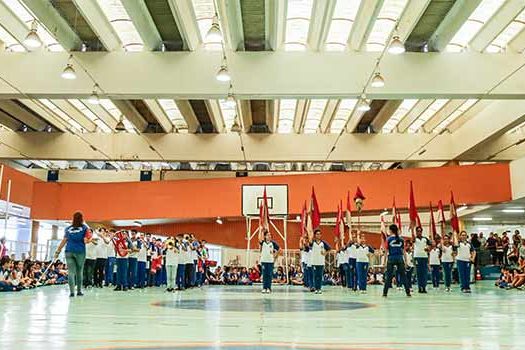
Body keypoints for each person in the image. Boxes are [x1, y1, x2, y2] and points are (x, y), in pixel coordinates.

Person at [54, 211, 92, 297]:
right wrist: (91, 240)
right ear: (82, 219)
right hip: (80, 252)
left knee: (71, 272)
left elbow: (64, 240)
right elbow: (85, 241)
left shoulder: (68, 229)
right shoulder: (84, 228)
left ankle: (71, 292)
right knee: (79, 271)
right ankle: (79, 291)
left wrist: (57, 251)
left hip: (69, 251)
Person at [383, 224, 411, 297]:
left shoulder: (388, 239)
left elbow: (386, 251)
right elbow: (404, 251)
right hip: (400, 258)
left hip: (391, 258)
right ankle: (408, 292)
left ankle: (385, 293)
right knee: (403, 275)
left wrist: (384, 262)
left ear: (391, 230)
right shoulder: (401, 239)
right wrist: (406, 261)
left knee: (389, 276)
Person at [309, 228, 330, 294]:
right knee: (315, 276)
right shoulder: (313, 243)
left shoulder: (323, 243)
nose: (318, 235)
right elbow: (309, 242)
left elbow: (329, 249)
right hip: (314, 262)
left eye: (319, 234)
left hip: (321, 262)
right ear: (315, 235)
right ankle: (316, 288)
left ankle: (319, 288)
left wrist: (325, 253)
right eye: (317, 234)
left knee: (320, 276)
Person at [259, 228, 280, 293]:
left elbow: (279, 249)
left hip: (270, 261)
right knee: (264, 275)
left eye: (270, 235)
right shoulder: (263, 243)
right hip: (264, 261)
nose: (269, 236)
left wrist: (275, 256)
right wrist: (261, 231)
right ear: (265, 236)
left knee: (269, 275)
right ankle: (264, 288)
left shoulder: (273, 243)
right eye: (268, 235)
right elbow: (259, 239)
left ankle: (269, 288)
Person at [412, 226, 431, 293]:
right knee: (418, 273)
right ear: (416, 232)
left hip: (424, 257)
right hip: (417, 257)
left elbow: (430, 245)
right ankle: (420, 287)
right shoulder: (415, 239)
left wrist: (428, 248)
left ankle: (424, 287)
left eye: (420, 231)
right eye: (418, 231)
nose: (419, 232)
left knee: (424, 273)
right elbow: (413, 240)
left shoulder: (425, 239)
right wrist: (412, 228)